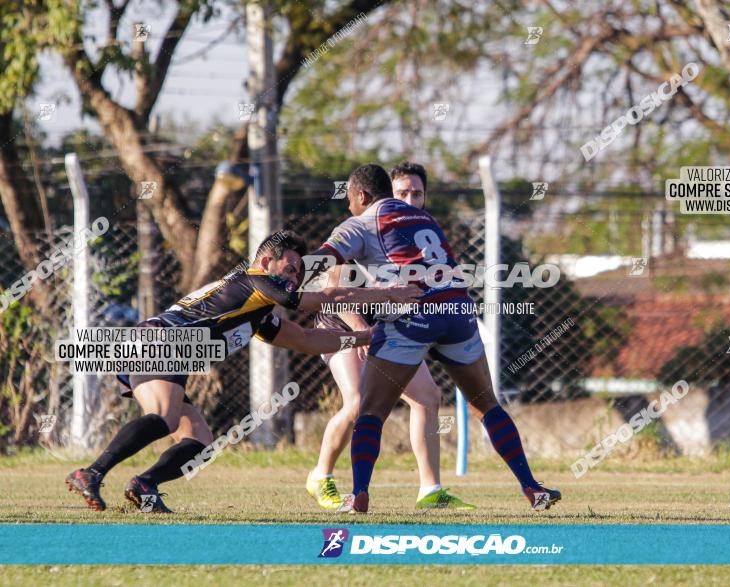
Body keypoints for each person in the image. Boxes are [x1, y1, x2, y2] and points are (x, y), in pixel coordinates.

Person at [65, 231, 420, 513]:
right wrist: (387, 295)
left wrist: (363, 336)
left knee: (200, 443)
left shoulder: (257, 312)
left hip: (161, 345)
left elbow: (309, 339)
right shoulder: (253, 280)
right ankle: (92, 472)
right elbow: (323, 297)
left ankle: (144, 485)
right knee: (165, 417)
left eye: (298, 274)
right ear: (267, 261)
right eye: (290, 269)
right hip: (163, 340)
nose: (295, 280)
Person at [310, 163, 561, 513]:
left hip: (411, 315)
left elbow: (322, 261)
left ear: (361, 196)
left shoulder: (361, 221)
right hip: (458, 311)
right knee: (486, 404)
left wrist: (285, 276)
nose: (349, 207)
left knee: (371, 411)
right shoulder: (424, 219)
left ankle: (359, 494)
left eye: (351, 200)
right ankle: (532, 487)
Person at [306, 161, 475, 511]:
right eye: (402, 193)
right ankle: (320, 476)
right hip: (343, 323)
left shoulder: (419, 234)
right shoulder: (362, 226)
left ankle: (430, 490)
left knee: (428, 397)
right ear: (383, 196)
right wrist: (363, 334)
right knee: (358, 402)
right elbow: (332, 291)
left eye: (417, 193)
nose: (410, 200)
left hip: (384, 327)